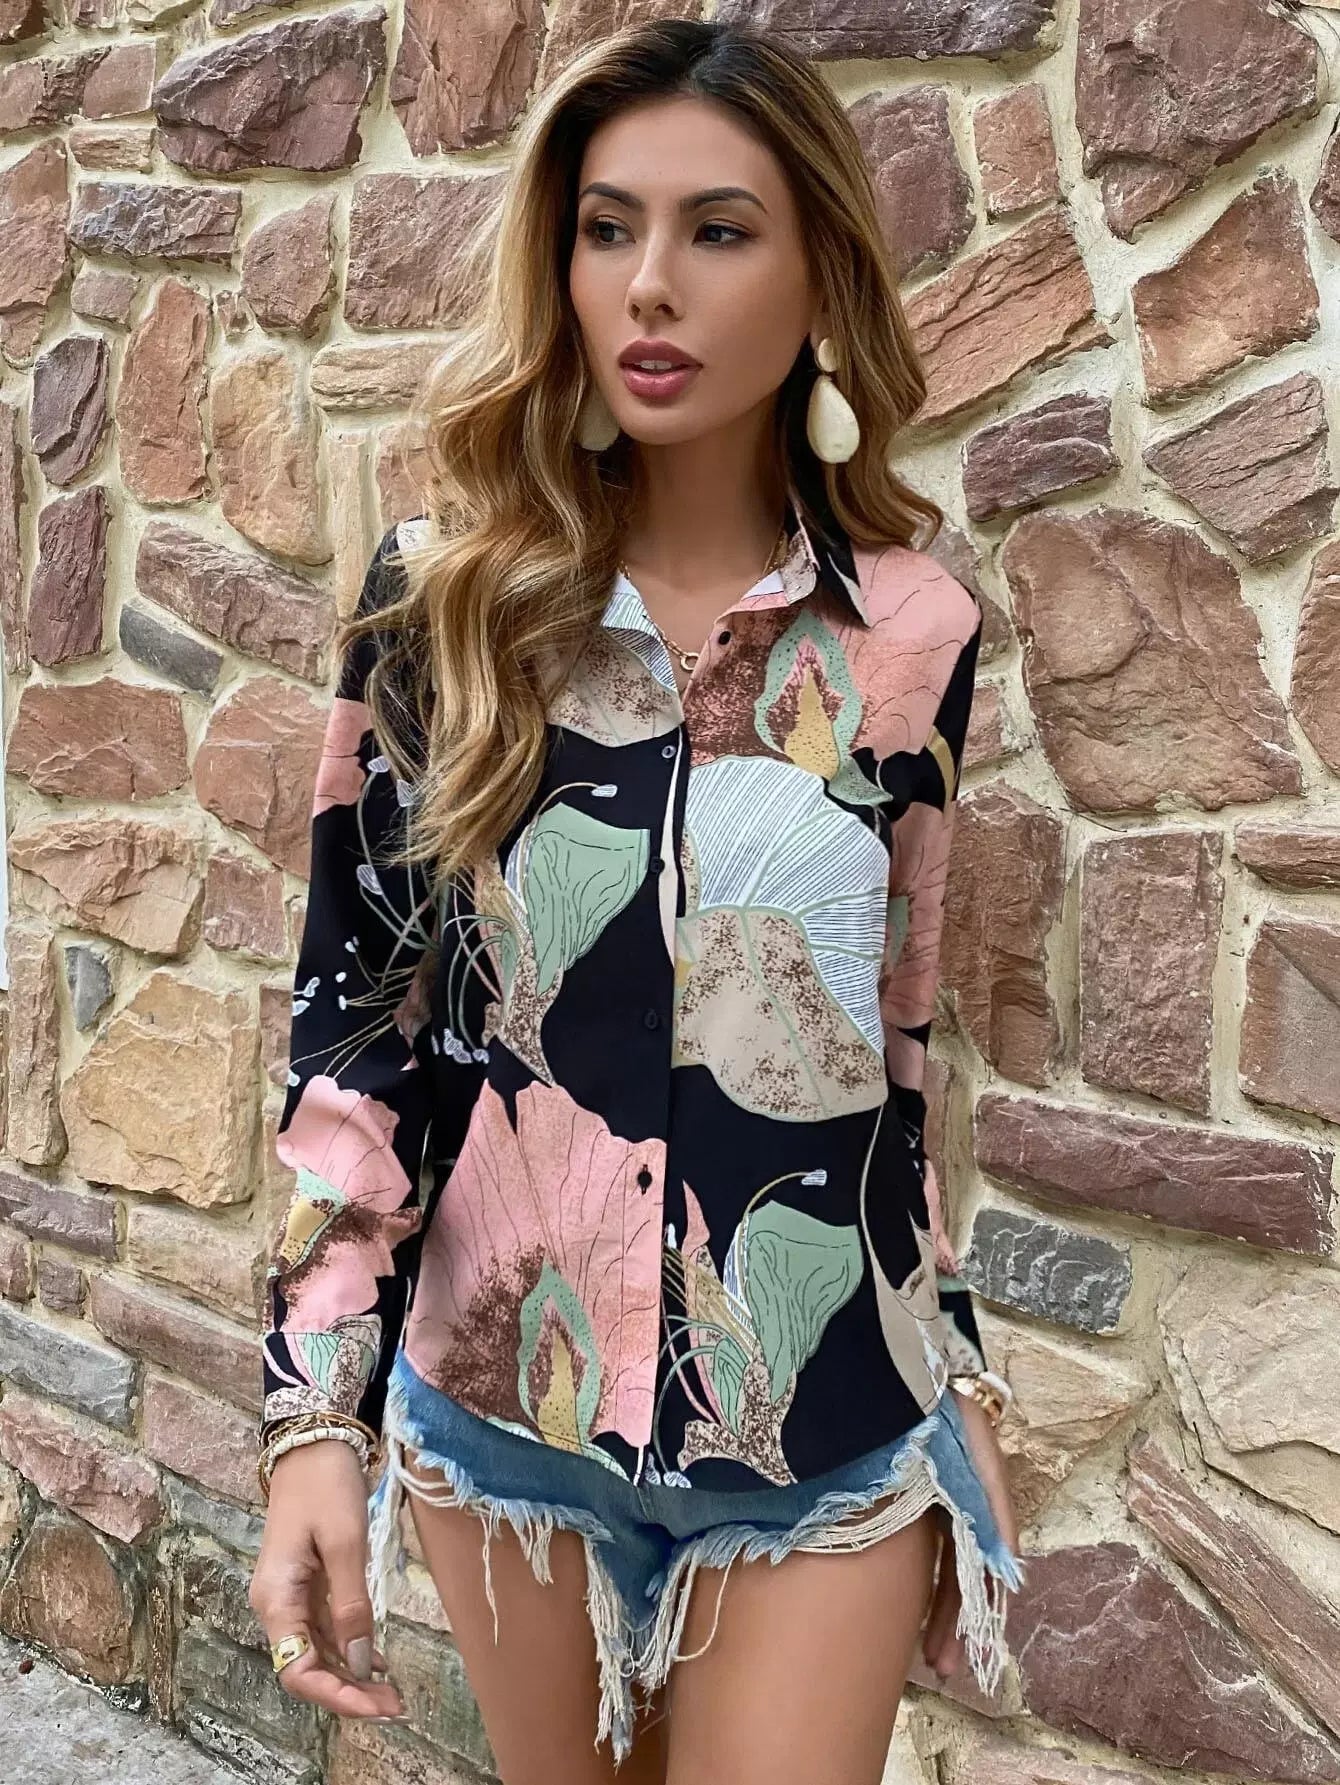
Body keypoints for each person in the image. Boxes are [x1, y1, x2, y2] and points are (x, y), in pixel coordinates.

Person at [248, 17, 1024, 1784]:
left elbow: (893, 1053)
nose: (650, 283)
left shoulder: (913, 636)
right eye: (609, 228)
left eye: (718, 230)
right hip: (507, 1419)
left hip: (820, 1428)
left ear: (820, 274)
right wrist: (311, 1415)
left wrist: (959, 1351)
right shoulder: (444, 603)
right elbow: (360, 1032)